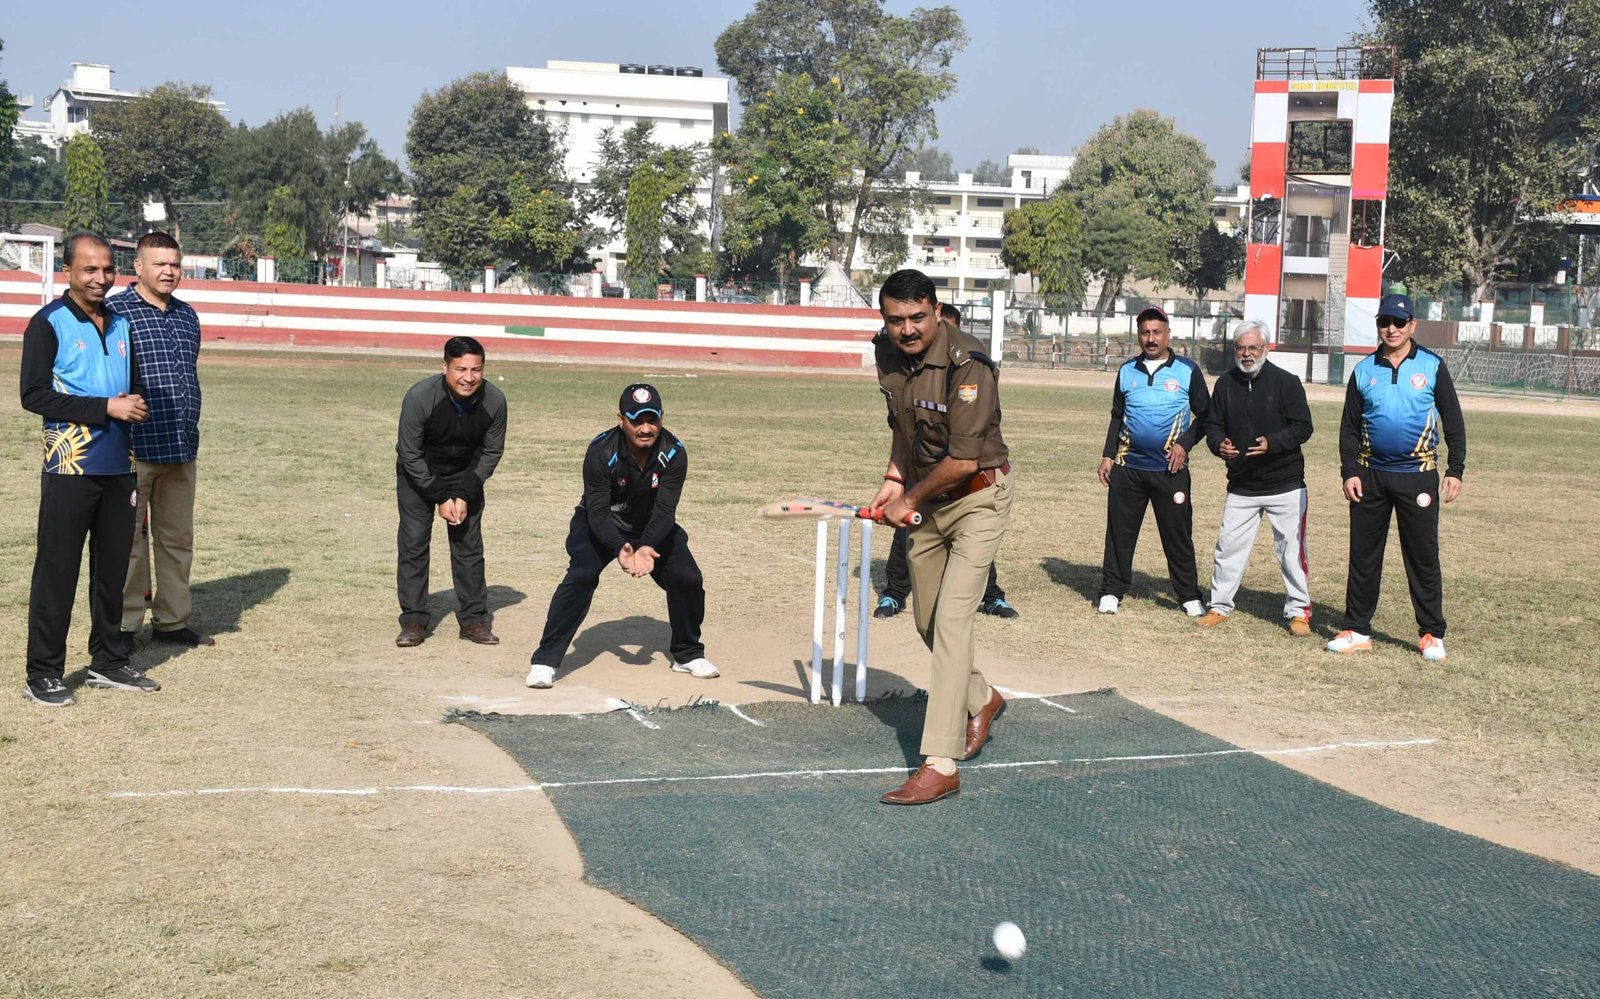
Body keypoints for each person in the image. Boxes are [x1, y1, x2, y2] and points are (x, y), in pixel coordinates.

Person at [867, 269, 1013, 806]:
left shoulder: (969, 364)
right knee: (927, 619)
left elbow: (963, 459)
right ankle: (982, 698)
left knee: (952, 621)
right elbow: (905, 429)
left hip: (978, 496)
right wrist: (894, 479)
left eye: (916, 318)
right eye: (895, 320)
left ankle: (940, 763)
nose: (906, 329)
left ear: (935, 310)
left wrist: (907, 500)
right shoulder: (886, 354)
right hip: (929, 500)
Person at [21, 232, 157, 706]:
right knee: (57, 571)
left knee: (112, 571)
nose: (100, 278)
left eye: (106, 269)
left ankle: (108, 660)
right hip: (68, 467)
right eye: (89, 270)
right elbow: (32, 395)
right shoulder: (48, 324)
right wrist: (106, 408)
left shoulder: (121, 324)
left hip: (119, 467)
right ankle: (43, 672)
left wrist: (133, 404)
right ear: (69, 272)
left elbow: (130, 389)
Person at [525, 384, 718, 688]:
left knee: (687, 577)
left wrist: (646, 546)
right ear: (621, 420)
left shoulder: (674, 452)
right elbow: (598, 513)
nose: (645, 429)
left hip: (652, 526)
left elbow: (665, 511)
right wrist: (620, 547)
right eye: (636, 420)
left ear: (661, 419)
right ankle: (545, 661)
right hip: (602, 524)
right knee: (581, 576)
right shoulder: (600, 452)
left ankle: (687, 654)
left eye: (651, 420)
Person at [1328, 294, 1466, 661]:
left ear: (1412, 326)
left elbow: (1453, 423)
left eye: (1399, 322)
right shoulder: (1363, 370)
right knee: (1364, 556)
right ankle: (1357, 629)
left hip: (1418, 477)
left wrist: (1455, 471)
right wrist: (1349, 472)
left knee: (1423, 557)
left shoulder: (1433, 367)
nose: (1391, 328)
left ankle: (1432, 633)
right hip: (1370, 477)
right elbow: (1348, 430)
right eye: (1385, 321)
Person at [876, 301, 1019, 621]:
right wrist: (897, 479)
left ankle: (992, 595)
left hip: (962, 478)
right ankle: (895, 592)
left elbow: (968, 449)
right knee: (906, 538)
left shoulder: (967, 366)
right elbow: (900, 422)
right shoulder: (905, 364)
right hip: (923, 474)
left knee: (971, 546)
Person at [107, 232, 213, 648]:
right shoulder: (115, 313)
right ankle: (126, 625)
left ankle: (171, 621)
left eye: (174, 263)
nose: (168, 271)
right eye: (159, 263)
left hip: (181, 446)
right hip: (132, 449)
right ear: (138, 267)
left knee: (177, 539)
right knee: (129, 542)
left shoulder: (188, 316)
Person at [1196, 320, 1315, 635]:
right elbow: (1212, 424)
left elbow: (1303, 426)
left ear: (1266, 348)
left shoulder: (1286, 382)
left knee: (1292, 551)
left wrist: (1273, 443)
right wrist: (1217, 443)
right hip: (1242, 486)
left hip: (1285, 484)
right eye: (1241, 348)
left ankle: (1299, 612)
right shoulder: (1225, 384)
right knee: (1228, 548)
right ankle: (1219, 607)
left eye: (1253, 347)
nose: (1247, 354)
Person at [1096, 306, 1210, 617]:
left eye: (1156, 332)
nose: (1151, 338)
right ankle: (1111, 590)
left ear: (1167, 334)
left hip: (1170, 471)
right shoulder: (1127, 371)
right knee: (1120, 532)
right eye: (1145, 332)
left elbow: (1207, 416)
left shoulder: (1187, 371)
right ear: (1139, 335)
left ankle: (1188, 595)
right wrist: (1108, 455)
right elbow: (1117, 416)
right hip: (1128, 468)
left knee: (1178, 535)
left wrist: (1185, 444)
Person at [394, 336, 507, 648]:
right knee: (414, 542)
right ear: (444, 367)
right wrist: (441, 496)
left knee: (468, 546)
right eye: (460, 369)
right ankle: (414, 619)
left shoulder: (495, 401)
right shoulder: (419, 397)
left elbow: (491, 452)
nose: (468, 378)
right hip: (419, 474)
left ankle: (472, 620)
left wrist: (463, 493)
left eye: (476, 370)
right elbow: (410, 454)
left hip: (466, 474)